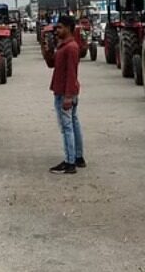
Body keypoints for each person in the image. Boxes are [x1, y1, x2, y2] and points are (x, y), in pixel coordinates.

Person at [41, 15, 85, 174]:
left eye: (60, 27)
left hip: (65, 92)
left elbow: (72, 74)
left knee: (67, 127)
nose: (57, 30)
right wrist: (46, 50)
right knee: (73, 123)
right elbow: (52, 63)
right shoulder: (63, 46)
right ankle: (78, 157)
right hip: (65, 91)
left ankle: (69, 162)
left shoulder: (71, 47)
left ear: (68, 28)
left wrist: (67, 97)